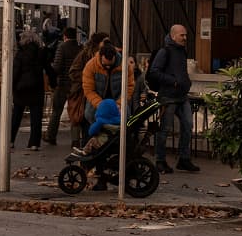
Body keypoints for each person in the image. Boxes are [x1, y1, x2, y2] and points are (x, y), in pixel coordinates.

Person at [81, 38, 135, 189]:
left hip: (118, 105)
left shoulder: (124, 66)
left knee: (124, 134)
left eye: (110, 65)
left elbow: (129, 87)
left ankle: (122, 172)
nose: (107, 67)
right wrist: (102, 105)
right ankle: (95, 171)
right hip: (97, 105)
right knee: (95, 138)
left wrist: (118, 104)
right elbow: (88, 89)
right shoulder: (91, 66)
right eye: (105, 65)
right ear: (100, 57)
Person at [146, 24, 199, 174]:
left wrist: (185, 82)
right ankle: (160, 160)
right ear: (173, 35)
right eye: (182, 35)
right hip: (168, 97)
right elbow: (154, 72)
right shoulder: (165, 52)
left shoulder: (182, 51)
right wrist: (173, 81)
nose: (185, 38)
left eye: (186, 35)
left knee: (188, 125)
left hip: (182, 96)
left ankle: (184, 158)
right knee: (165, 129)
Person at [11, 29, 56, 151]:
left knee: (16, 115)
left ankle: (10, 140)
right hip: (36, 87)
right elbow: (49, 70)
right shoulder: (41, 53)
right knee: (36, 117)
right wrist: (53, 83)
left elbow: (15, 72)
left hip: (21, 88)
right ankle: (34, 143)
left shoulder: (20, 54)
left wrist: (12, 86)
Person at [44, 25, 81, 145]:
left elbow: (57, 67)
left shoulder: (62, 47)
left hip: (63, 84)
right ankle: (75, 140)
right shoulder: (80, 48)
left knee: (57, 111)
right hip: (76, 85)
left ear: (65, 36)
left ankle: (51, 135)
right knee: (75, 112)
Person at [66, 32, 105, 148]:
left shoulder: (106, 55)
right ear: (98, 43)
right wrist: (88, 78)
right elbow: (73, 72)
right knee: (85, 122)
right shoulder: (85, 55)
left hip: (98, 96)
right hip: (84, 94)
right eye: (105, 41)